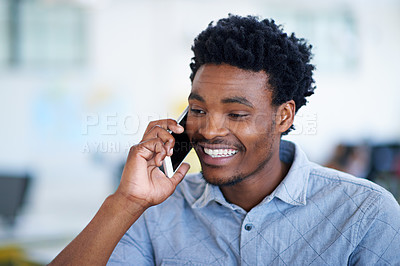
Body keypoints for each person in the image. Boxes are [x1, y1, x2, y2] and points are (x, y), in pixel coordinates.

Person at [50, 15, 400, 265]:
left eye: (236, 114)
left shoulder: (364, 213)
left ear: (284, 116)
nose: (209, 130)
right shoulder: (156, 213)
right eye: (198, 110)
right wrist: (125, 202)